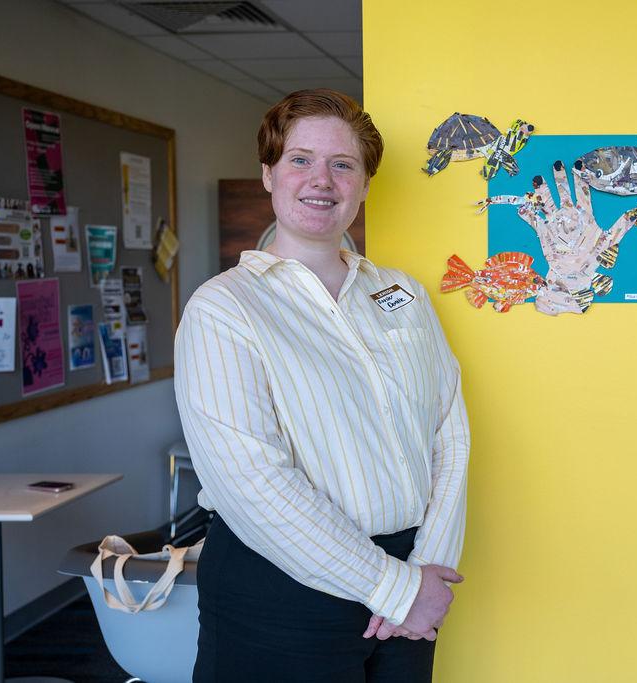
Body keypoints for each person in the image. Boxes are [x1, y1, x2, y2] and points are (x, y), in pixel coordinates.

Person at [174, 89, 470, 682]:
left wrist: (428, 568)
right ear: (269, 175)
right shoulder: (224, 308)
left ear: (364, 185)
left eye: (344, 164)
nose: (322, 180)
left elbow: (449, 429)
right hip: (278, 588)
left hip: (413, 571)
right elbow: (251, 481)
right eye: (300, 160)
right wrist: (392, 588)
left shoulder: (403, 294)